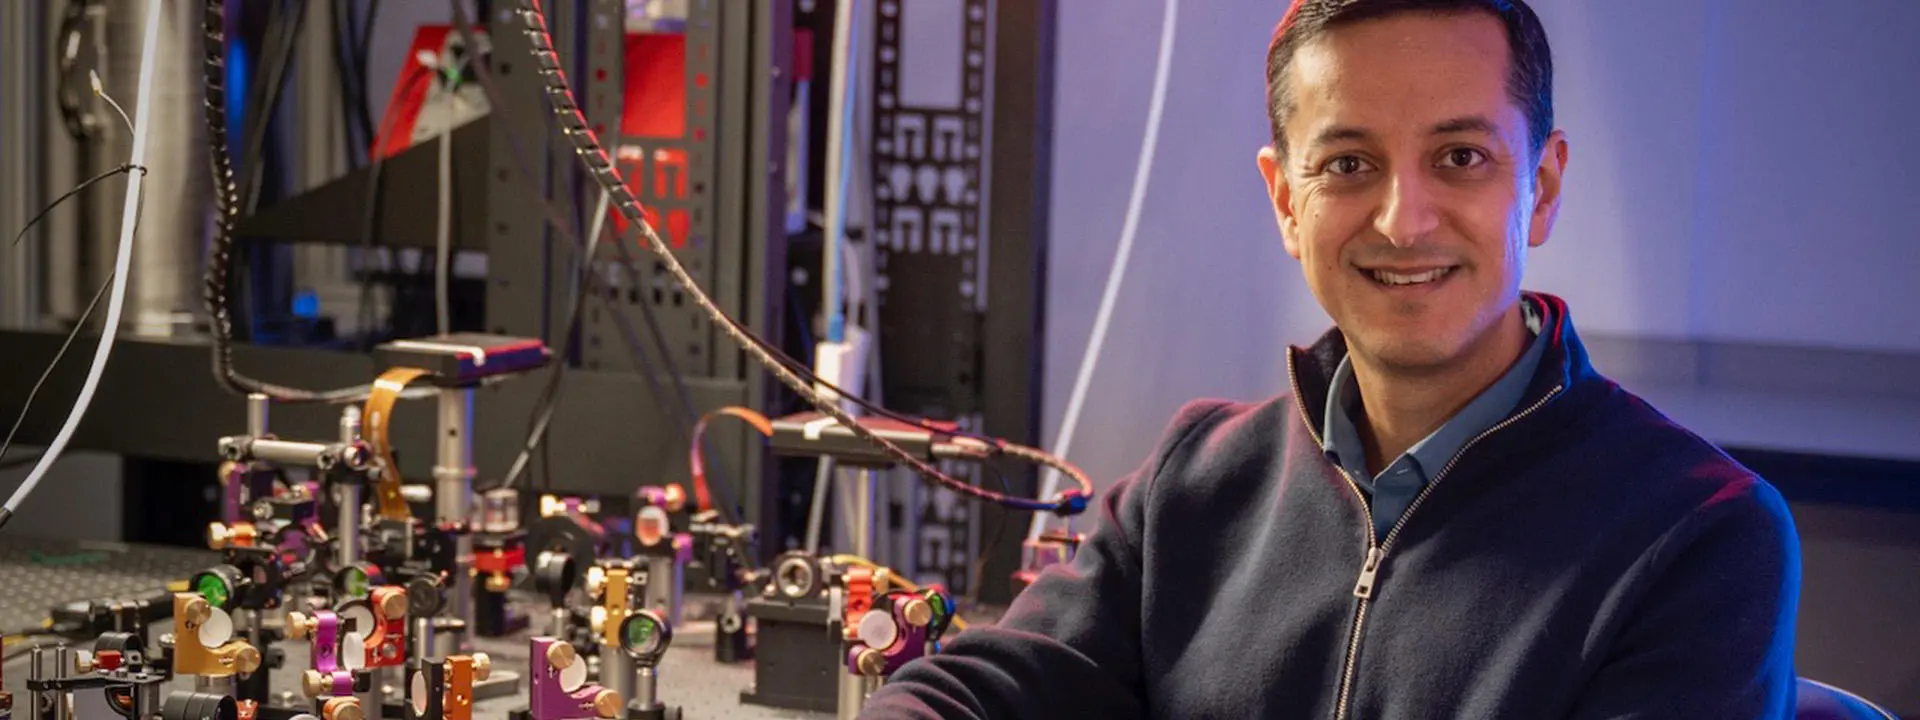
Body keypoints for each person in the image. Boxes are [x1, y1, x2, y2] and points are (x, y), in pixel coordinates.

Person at [861, 0, 1801, 717]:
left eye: (1460, 158)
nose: (1404, 220)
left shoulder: (1702, 538)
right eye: (1349, 164)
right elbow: (983, 690)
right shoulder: (1196, 479)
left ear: (1541, 187)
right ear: (1284, 200)